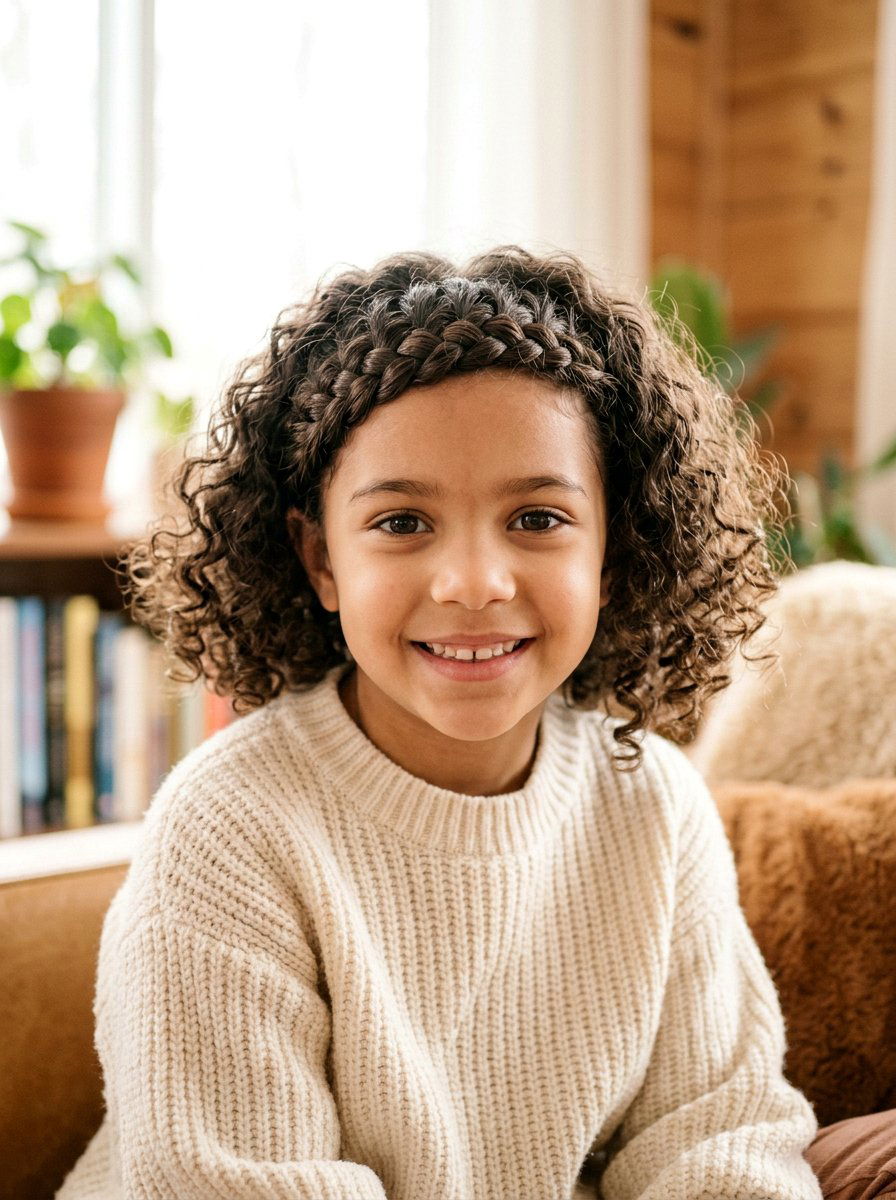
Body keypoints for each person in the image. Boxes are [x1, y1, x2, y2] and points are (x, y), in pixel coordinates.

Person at [57, 245, 824, 1199]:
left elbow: (722, 1135)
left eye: (538, 518)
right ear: (320, 559)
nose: (473, 583)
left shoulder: (656, 809)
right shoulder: (228, 828)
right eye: (402, 523)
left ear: (613, 551)